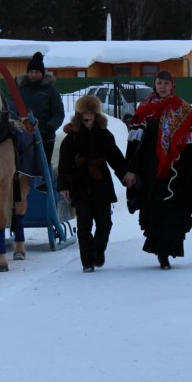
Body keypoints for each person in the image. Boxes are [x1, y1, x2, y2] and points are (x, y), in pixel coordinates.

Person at [123, 70, 192, 269]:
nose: (162, 87)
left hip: (176, 171)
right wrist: (131, 169)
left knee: (172, 211)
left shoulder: (184, 109)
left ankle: (167, 252)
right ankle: (161, 253)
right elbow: (134, 144)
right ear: (154, 85)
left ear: (172, 86)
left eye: (166, 83)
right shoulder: (145, 108)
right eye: (159, 83)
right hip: (150, 171)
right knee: (155, 210)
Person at [57, 94, 129, 273]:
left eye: (91, 112)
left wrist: (125, 174)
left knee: (105, 223)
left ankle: (98, 250)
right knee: (84, 226)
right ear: (79, 114)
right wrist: (64, 186)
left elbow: (115, 157)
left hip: (101, 183)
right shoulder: (72, 137)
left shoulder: (104, 134)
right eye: (85, 112)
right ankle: (87, 262)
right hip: (80, 185)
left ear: (96, 115)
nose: (88, 116)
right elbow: (64, 164)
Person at [16, 51, 64, 165]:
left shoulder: (51, 92)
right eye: (31, 72)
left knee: (43, 166)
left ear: (42, 73)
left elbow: (58, 114)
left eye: (36, 72)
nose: (33, 75)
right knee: (24, 167)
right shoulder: (20, 91)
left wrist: (50, 127)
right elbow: (13, 109)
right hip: (23, 137)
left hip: (45, 138)